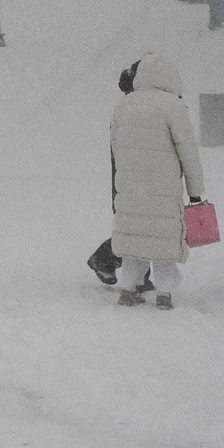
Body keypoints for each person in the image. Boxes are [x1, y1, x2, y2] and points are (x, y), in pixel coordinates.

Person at [109, 52, 206, 308]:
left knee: (134, 236)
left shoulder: (125, 105)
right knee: (163, 238)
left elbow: (116, 146)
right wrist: (196, 191)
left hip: (130, 186)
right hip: (164, 187)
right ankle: (164, 294)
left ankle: (128, 289)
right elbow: (188, 151)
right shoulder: (173, 107)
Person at [87, 61, 139, 287]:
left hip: (129, 180)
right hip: (133, 180)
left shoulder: (129, 107)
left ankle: (136, 274)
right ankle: (105, 258)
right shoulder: (131, 110)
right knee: (139, 229)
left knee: (139, 228)